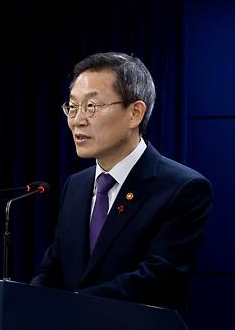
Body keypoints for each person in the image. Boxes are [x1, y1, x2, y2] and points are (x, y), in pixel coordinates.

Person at [31, 52, 213, 314]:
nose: (77, 120)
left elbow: (156, 278)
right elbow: (53, 265)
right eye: (72, 107)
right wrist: (28, 304)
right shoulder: (76, 186)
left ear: (135, 113)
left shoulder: (183, 188)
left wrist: (70, 306)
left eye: (92, 106)